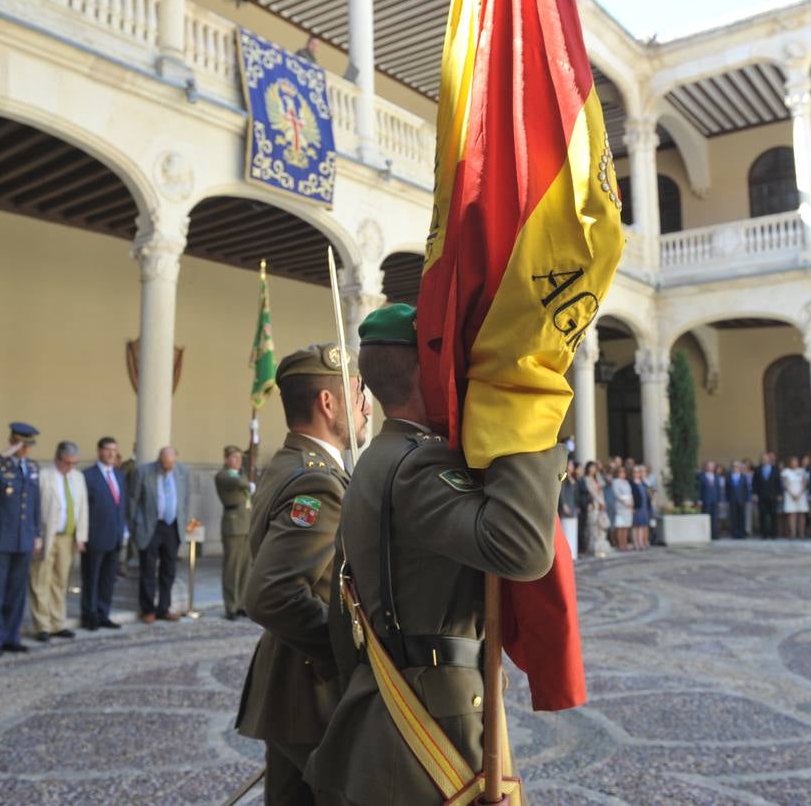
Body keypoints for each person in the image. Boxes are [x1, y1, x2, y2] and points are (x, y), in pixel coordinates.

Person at [305, 304, 562, 805]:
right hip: (437, 720)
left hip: (387, 703)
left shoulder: (376, 460)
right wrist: (526, 430)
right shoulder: (418, 463)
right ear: (430, 371)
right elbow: (524, 549)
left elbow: (341, 617)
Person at [235, 342, 368, 805]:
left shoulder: (293, 462)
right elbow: (272, 594)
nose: (367, 407)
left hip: (291, 690)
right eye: (359, 394)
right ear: (328, 403)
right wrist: (349, 652)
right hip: (313, 691)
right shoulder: (317, 481)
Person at [0, 422, 42, 657]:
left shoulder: (32, 467)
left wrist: (37, 534)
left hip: (23, 538)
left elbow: (35, 503)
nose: (25, 450)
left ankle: (11, 636)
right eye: (21, 445)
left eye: (28, 446)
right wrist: (1, 457)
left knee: (16, 592)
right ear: (12, 441)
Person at [31, 441, 87, 642]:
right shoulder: (43, 476)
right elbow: (34, 508)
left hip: (67, 537)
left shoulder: (78, 477)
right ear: (57, 458)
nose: (70, 466)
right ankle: (42, 625)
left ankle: (57, 622)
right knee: (40, 579)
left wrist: (81, 536)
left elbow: (83, 508)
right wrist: (36, 536)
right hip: (47, 536)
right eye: (66, 462)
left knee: (60, 581)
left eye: (74, 463)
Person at [127, 446, 190, 624]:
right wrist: (134, 527)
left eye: (171, 464)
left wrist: (183, 523)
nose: (168, 468)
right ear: (159, 460)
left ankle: (164, 607)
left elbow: (185, 500)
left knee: (169, 570)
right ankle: (148, 609)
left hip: (172, 527)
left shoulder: (183, 472)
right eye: (164, 464)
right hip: (150, 527)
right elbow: (132, 501)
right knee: (148, 569)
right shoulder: (143, 472)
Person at [81, 437, 127, 631]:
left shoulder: (119, 475)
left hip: (115, 536)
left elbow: (121, 505)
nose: (111, 454)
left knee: (108, 579)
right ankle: (89, 615)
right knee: (91, 578)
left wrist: (123, 530)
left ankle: (103, 613)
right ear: (99, 451)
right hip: (95, 535)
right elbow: (83, 507)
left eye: (114, 450)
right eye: (107, 449)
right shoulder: (88, 476)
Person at [214, 445, 253, 620]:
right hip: (233, 524)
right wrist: (248, 481)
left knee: (245, 567)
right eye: (234, 457)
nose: (238, 461)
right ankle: (230, 605)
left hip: (247, 524)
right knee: (232, 567)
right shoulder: (223, 475)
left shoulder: (241, 473)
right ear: (226, 459)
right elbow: (238, 483)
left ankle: (241, 604)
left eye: (240, 457)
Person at [752, 453, 782, 539]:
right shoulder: (757, 469)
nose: (765, 460)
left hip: (773, 496)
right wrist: (754, 494)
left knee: (773, 515)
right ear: (761, 460)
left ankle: (773, 534)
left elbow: (778, 483)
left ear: (769, 460)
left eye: (766, 459)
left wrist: (779, 494)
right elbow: (754, 483)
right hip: (761, 496)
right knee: (762, 515)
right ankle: (764, 534)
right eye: (763, 459)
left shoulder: (775, 469)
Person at [781, 455, 809, 539]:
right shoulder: (786, 471)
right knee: (792, 514)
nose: (794, 463)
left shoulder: (802, 471)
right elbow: (785, 484)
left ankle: (802, 533)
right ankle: (793, 533)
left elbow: (804, 483)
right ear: (790, 463)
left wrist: (799, 494)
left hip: (801, 495)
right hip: (790, 495)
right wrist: (792, 494)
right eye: (793, 461)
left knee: (802, 514)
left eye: (796, 461)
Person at [725, 460, 751, 539]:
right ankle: (734, 533)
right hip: (732, 500)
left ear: (740, 468)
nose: (735, 468)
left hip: (741, 500)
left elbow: (746, 489)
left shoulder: (743, 476)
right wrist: (727, 499)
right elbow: (727, 489)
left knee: (742, 517)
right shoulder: (729, 476)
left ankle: (742, 533)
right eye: (734, 467)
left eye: (737, 467)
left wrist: (747, 499)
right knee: (733, 517)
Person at [696, 460, 721, 540]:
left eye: (712, 466)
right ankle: (706, 534)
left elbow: (718, 489)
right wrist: (699, 499)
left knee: (715, 518)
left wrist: (719, 499)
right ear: (706, 467)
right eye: (709, 466)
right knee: (706, 517)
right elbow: (699, 489)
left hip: (715, 500)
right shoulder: (701, 476)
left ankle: (714, 534)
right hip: (705, 500)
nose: (711, 468)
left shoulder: (716, 476)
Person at [611, 466, 633, 551]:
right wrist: (625, 503)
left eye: (624, 472)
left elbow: (630, 493)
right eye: (620, 472)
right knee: (620, 526)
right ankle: (620, 544)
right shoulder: (615, 482)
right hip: (621, 506)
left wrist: (631, 503)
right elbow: (617, 494)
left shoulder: (626, 482)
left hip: (628, 506)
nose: (622, 474)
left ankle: (625, 543)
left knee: (626, 526)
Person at [631, 465, 652, 549]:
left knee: (643, 525)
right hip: (636, 507)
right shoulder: (631, 483)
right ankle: (636, 543)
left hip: (644, 506)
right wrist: (633, 507)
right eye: (635, 472)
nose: (636, 474)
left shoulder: (643, 483)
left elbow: (648, 494)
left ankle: (641, 542)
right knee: (636, 526)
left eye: (638, 472)